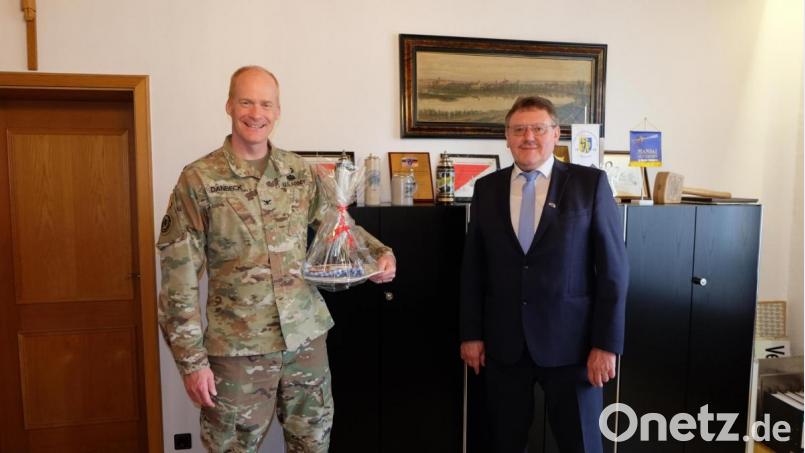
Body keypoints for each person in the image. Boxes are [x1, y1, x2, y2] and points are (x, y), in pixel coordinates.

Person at [157, 65, 396, 453]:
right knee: (233, 447)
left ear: (278, 111)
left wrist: (377, 254)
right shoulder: (199, 179)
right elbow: (178, 280)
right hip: (238, 350)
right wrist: (192, 362)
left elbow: (336, 225)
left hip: (305, 341)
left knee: (313, 443)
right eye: (246, 102)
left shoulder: (299, 172)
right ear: (229, 106)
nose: (256, 113)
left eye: (266, 103)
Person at [459, 96, 628, 453]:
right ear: (507, 137)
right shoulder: (487, 188)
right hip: (504, 345)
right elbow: (474, 268)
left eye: (538, 128)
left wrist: (606, 344)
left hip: (574, 347)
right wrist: (471, 333)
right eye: (519, 129)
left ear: (556, 135)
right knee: (504, 442)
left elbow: (614, 270)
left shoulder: (590, 184)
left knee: (581, 443)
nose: (528, 137)